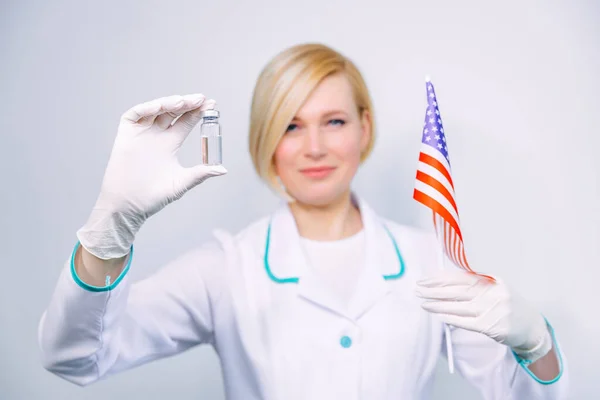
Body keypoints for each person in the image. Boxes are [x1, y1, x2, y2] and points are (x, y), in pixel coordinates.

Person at [38, 43, 568, 399]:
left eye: (333, 121)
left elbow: (521, 395)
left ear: (364, 127)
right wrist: (110, 229)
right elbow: (76, 359)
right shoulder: (226, 268)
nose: (314, 147)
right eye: (291, 125)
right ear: (266, 142)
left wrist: (534, 343)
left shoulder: (431, 258)